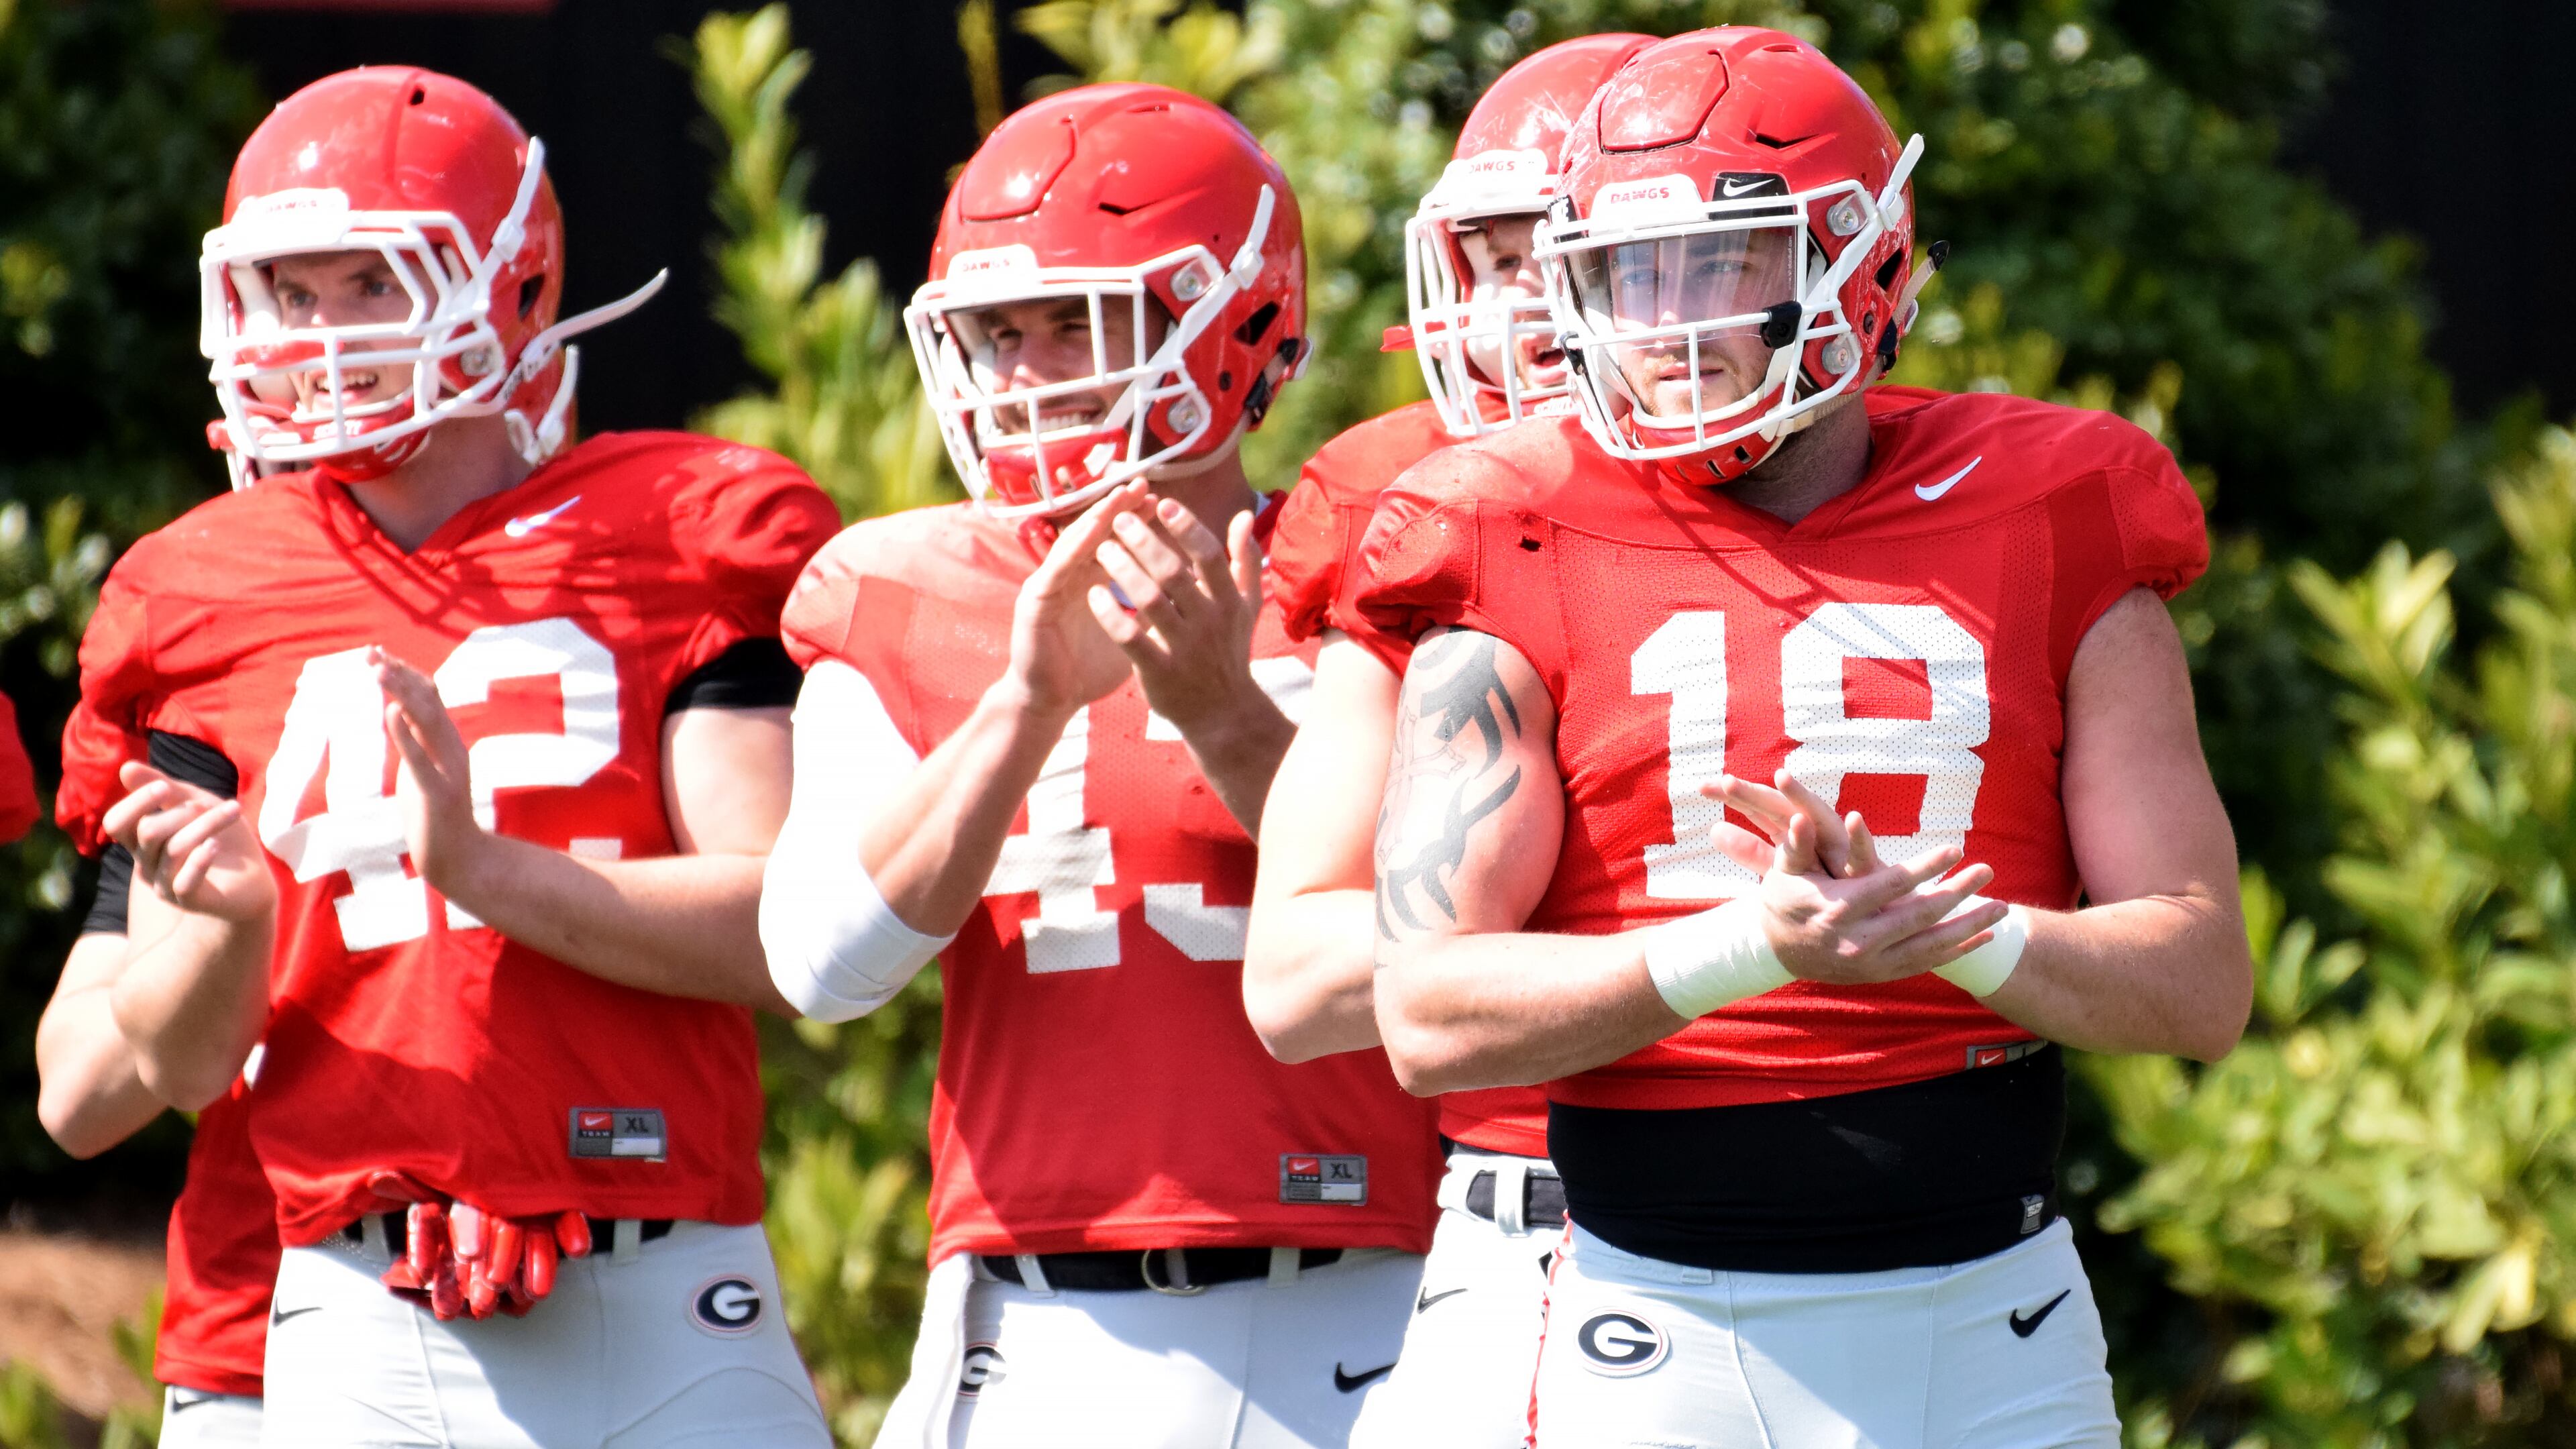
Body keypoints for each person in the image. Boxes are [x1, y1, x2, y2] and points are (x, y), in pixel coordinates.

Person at [1355, 28, 2253, 1446]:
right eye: (1628, 274)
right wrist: (1753, 950)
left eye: (1718, 265)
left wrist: (1951, 936)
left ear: (1864, 260)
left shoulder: (2056, 513)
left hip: (2000, 1320)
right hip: (1658, 1327)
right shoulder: (1507, 526)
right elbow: (1424, 1014)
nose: (1666, 326)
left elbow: (2200, 983)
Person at [52, 66, 841, 1448]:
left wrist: (483, 869)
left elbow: (792, 933)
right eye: (292, 293)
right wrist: (227, 931)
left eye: (373, 283)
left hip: (663, 1267)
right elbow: (108, 1083)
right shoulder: (200, 589)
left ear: (515, 287)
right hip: (339, 1284)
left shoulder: (680, 530)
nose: (325, 335)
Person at [757, 82, 1438, 1449]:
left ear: (1238, 321)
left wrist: (1226, 715)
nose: (1025, 373)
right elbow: (821, 967)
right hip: (1035, 1323)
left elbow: (1443, 925)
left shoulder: (1384, 562)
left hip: (1371, 1299)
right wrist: (1021, 708)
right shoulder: (904, 588)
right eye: (998, 332)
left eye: (1074, 321)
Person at [1240, 32, 1650, 1449]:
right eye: (1490, 257)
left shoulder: (1855, 499)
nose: (1510, 306)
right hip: (1517, 1207)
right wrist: (1680, 927)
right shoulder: (1398, 501)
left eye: (1548, 252)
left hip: (1859, 1217)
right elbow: (1294, 974)